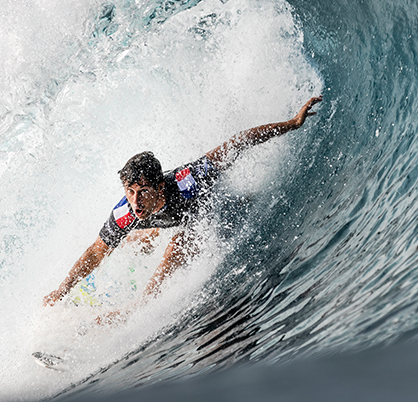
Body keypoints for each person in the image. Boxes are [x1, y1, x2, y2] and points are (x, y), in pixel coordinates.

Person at [43, 96, 323, 321]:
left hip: (212, 209)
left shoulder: (190, 180)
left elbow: (240, 141)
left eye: (143, 192)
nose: (135, 201)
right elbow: (95, 251)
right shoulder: (127, 211)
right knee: (133, 238)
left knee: (179, 242)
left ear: (160, 187)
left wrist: (292, 123)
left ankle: (139, 305)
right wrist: (62, 289)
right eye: (130, 192)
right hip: (169, 218)